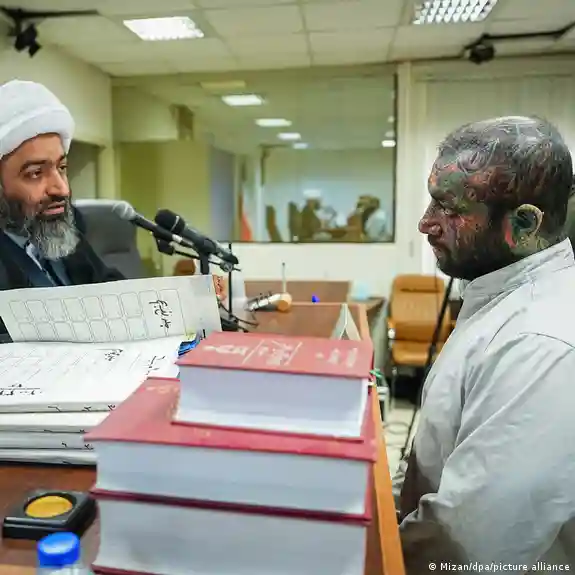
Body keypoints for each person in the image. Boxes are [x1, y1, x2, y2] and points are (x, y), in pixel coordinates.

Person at [397, 115, 575, 572]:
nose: (425, 223)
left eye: (450, 208)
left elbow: (465, 544)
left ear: (524, 223)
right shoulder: (497, 292)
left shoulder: (540, 343)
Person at [0, 80, 123, 336]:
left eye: (62, 168)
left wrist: (182, 300)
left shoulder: (59, 228)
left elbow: (113, 292)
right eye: (35, 173)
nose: (61, 189)